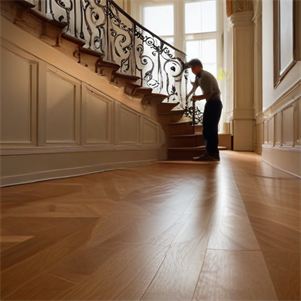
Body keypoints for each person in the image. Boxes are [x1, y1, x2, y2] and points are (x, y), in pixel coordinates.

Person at [184, 58, 223, 161]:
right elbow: (195, 86)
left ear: (199, 67)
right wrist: (188, 95)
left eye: (193, 68)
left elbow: (209, 94)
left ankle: (212, 154)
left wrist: (195, 98)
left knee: (210, 129)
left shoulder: (205, 77)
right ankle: (211, 153)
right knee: (207, 129)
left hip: (214, 104)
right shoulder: (199, 76)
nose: (192, 70)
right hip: (211, 104)